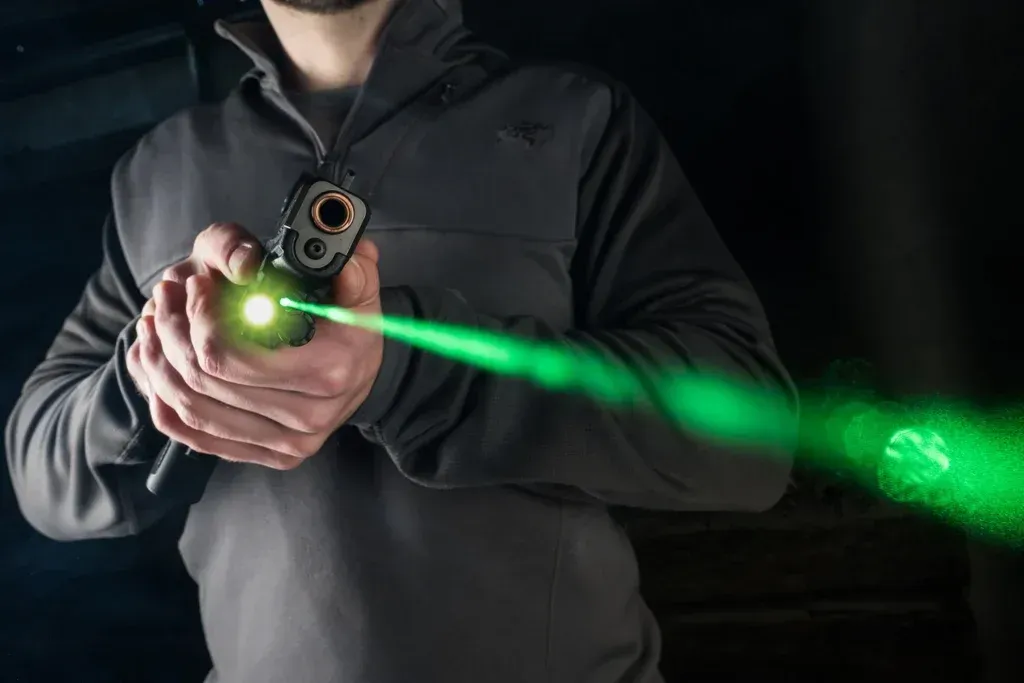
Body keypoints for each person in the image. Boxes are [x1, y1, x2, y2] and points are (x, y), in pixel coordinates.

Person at [5, 0, 799, 681]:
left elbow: (751, 436)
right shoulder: (158, 167)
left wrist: (405, 370)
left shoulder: (575, 120)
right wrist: (157, 371)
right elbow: (42, 466)